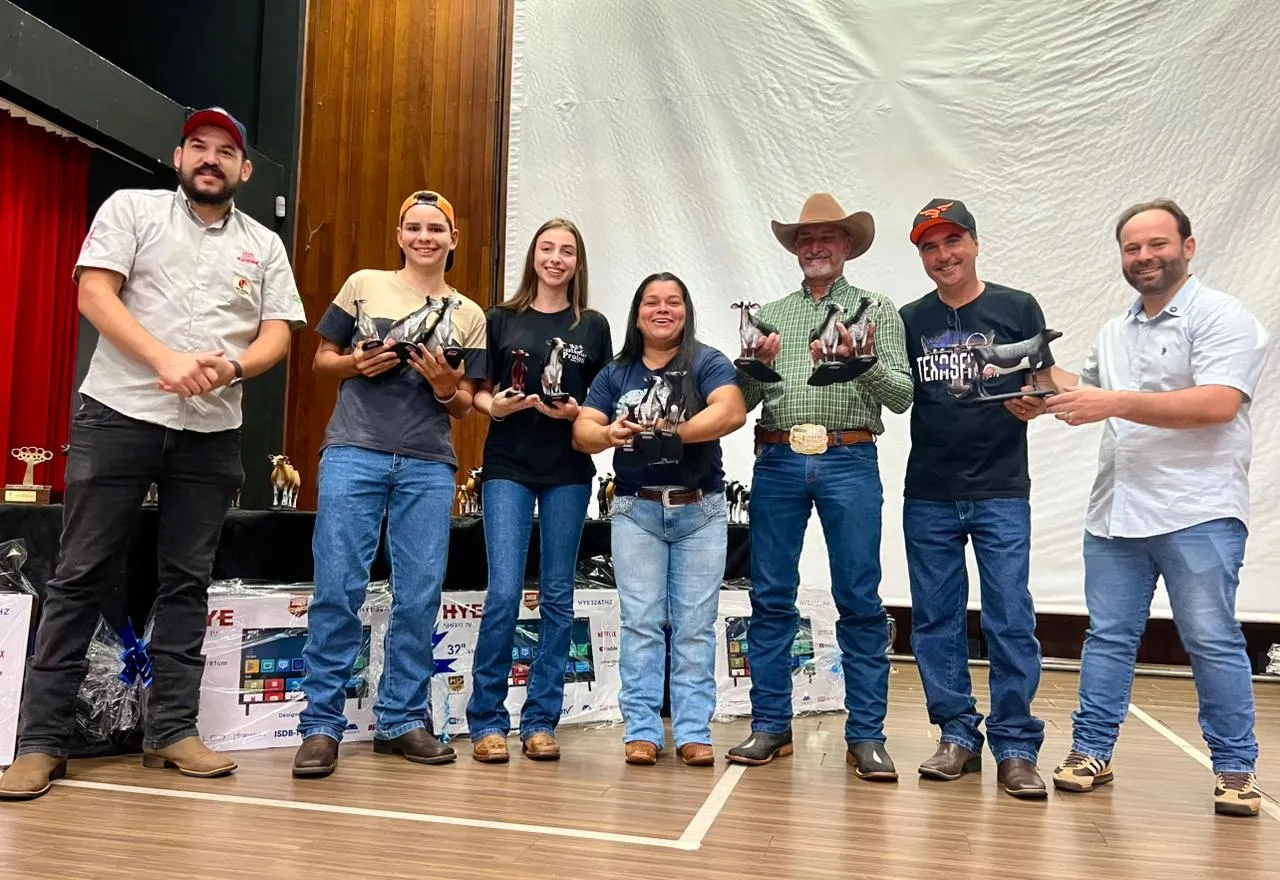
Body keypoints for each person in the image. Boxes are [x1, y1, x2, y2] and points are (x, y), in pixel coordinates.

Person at [0, 108, 306, 800]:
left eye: (225, 152)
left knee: (186, 581)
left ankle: (171, 729)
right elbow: (93, 292)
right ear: (178, 156)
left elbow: (279, 332)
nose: (211, 159)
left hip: (211, 428)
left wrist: (230, 369)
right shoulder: (131, 209)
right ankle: (40, 742)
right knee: (79, 573)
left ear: (244, 170)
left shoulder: (263, 244)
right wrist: (164, 359)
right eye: (199, 146)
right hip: (119, 413)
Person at [1029, 200, 1269, 817]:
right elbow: (1078, 389)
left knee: (1211, 638)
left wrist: (1111, 402)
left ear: (1188, 248)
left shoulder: (1223, 317)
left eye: (1157, 244)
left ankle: (1236, 769)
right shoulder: (1115, 331)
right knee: (1108, 638)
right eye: (1133, 249)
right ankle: (1090, 752)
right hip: (1116, 513)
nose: (1144, 257)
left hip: (1200, 510)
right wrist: (1022, 368)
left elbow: (1217, 403)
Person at [290, 190, 487, 778]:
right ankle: (321, 725)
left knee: (420, 595)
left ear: (454, 240)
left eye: (437, 229)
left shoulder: (470, 313)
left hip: (429, 462)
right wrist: (357, 364)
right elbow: (323, 360)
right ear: (400, 235)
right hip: (354, 452)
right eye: (414, 227)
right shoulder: (362, 284)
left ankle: (402, 719)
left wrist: (448, 386)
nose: (425, 237)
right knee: (337, 589)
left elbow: (464, 405)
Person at [725, 192, 913, 780]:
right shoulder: (772, 315)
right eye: (806, 239)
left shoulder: (876, 308)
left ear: (847, 246)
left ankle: (867, 736)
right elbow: (747, 401)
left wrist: (862, 362)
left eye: (827, 237)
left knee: (858, 597)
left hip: (849, 456)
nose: (815, 247)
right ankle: (770, 725)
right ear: (796, 249)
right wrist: (750, 367)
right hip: (778, 458)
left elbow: (903, 397)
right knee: (770, 596)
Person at [898, 198, 1066, 799]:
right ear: (921, 255)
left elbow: (1043, 381)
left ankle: (1017, 746)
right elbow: (894, 389)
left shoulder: (1017, 307)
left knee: (1010, 618)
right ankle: (957, 738)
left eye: (951, 242)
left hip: (1000, 489)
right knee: (936, 621)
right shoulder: (908, 319)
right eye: (929, 246)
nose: (943, 255)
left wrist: (1036, 402)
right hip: (930, 492)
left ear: (974, 242)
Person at [574, 273, 746, 766]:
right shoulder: (616, 372)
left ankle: (694, 732)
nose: (662, 309)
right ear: (637, 313)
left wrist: (674, 435)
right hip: (636, 510)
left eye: (673, 302)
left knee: (695, 626)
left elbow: (731, 411)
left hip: (702, 511)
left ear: (686, 311)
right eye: (652, 302)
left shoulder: (706, 361)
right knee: (642, 624)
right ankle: (643, 731)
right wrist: (611, 433)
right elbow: (583, 430)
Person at [465, 218, 612, 763]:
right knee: (503, 592)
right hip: (507, 466)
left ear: (578, 262)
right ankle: (486, 720)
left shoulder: (592, 325)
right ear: (533, 256)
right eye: (547, 248)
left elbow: (602, 406)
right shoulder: (500, 317)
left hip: (568, 471)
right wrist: (493, 407)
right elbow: (477, 393)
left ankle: (541, 719)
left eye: (566, 250)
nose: (555, 258)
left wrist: (578, 414)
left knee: (557, 596)